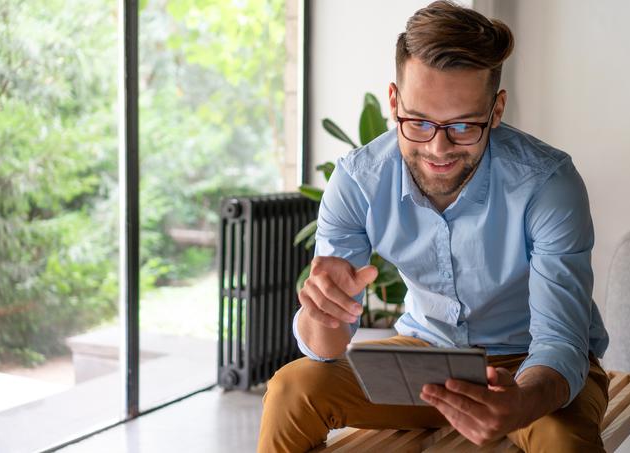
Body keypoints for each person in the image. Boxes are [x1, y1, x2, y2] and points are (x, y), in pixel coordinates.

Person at [258, 1, 610, 451]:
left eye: (463, 125)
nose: (438, 148)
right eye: (418, 122)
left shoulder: (548, 184)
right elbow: (324, 347)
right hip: (422, 359)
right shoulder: (358, 182)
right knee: (291, 390)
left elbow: (561, 340)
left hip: (531, 365)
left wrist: (519, 402)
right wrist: (320, 314)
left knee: (563, 438)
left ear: (496, 110)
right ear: (393, 102)